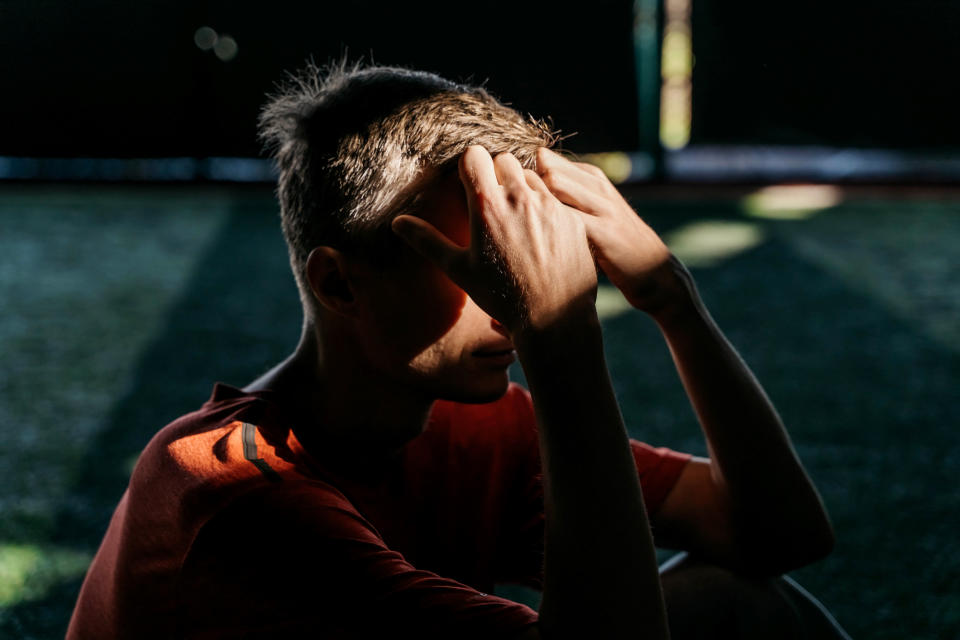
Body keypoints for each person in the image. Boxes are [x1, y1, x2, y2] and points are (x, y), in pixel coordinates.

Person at [67, 60, 850, 639]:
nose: (518, 300)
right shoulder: (232, 500)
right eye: (483, 267)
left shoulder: (473, 425)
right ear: (340, 286)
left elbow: (779, 537)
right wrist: (562, 337)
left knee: (742, 601)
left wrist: (669, 296)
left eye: (524, 259)